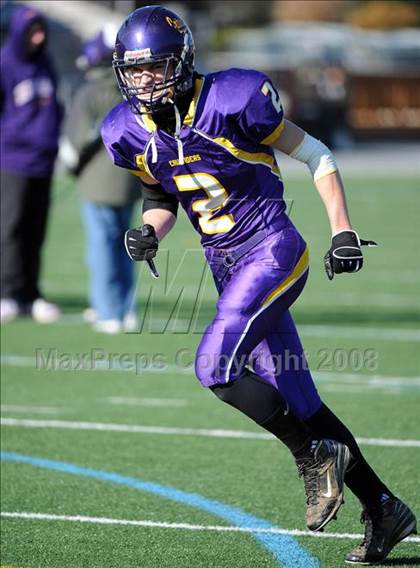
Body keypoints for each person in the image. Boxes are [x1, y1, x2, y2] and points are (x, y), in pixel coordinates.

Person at [101, 6, 417, 564]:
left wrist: (342, 229)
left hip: (271, 248)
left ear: (182, 61)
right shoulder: (125, 131)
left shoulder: (235, 98)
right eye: (136, 69)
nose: (145, 80)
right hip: (224, 265)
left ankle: (313, 458)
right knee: (302, 401)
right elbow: (162, 194)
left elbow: (317, 154)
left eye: (156, 67)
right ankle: (384, 508)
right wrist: (149, 232)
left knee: (214, 368)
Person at [60, 25, 140, 334]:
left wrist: (70, 167)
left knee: (102, 248)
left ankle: (108, 311)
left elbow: (74, 143)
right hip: (131, 180)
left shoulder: (90, 92)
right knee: (126, 246)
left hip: (97, 184)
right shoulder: (132, 90)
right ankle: (126, 309)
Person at [0, 4, 62, 324]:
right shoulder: (5, 63)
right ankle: (7, 293)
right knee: (11, 227)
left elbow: (55, 107)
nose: (38, 38)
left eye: (42, 31)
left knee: (36, 231)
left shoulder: (45, 63)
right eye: (33, 31)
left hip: (43, 161)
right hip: (12, 160)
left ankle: (30, 293)